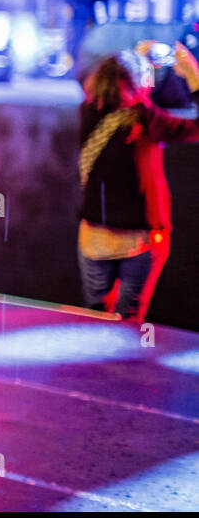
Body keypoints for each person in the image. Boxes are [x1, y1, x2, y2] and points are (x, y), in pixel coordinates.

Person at [77, 44, 199, 320]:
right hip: (141, 239)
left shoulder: (87, 112)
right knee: (130, 319)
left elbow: (113, 78)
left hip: (95, 237)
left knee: (95, 315)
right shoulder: (146, 119)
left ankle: (91, 363)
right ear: (140, 80)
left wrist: (130, 56)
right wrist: (193, 75)